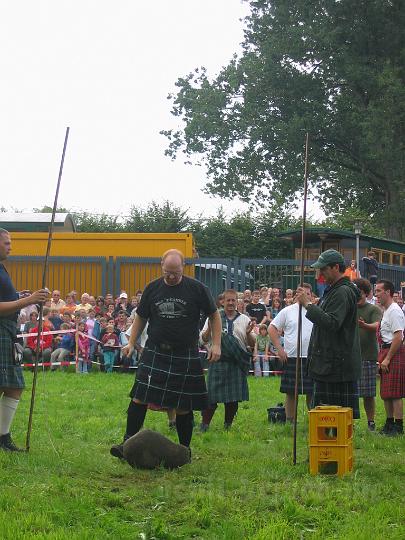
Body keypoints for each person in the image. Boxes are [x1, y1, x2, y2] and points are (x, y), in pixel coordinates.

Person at [110, 249, 221, 458]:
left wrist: (216, 344)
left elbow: (214, 315)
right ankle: (126, 444)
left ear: (183, 267)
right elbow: (141, 317)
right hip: (156, 350)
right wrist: (131, 342)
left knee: (183, 406)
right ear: (162, 265)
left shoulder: (197, 289)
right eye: (167, 273)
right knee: (139, 397)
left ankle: (185, 450)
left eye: (175, 273)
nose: (171, 277)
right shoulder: (153, 288)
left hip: (185, 352)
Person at [296, 249, 361, 419]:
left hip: (336, 366)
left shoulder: (342, 292)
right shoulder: (334, 290)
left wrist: (308, 305)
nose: (320, 273)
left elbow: (332, 323)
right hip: (331, 365)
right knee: (328, 422)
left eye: (323, 269)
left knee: (335, 422)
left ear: (336, 267)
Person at [0, 228, 48, 451]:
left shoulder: (2, 268)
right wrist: (27, 300)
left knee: (14, 386)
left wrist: (19, 296)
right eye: (7, 243)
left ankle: (3, 438)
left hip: (7, 331)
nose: (11, 247)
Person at [199, 289, 255, 431]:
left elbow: (252, 343)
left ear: (237, 302)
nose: (230, 303)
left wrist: (249, 334)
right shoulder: (213, 317)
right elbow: (203, 340)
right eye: (228, 300)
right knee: (211, 396)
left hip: (235, 362)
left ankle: (228, 425)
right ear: (222, 301)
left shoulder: (245, 319)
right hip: (217, 361)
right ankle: (204, 424)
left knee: (232, 399)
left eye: (233, 300)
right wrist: (209, 329)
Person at [269, 283, 314, 421]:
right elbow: (272, 328)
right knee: (290, 392)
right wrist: (279, 349)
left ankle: (314, 419)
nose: (305, 296)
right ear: (296, 295)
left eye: (307, 293)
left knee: (312, 391)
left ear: (311, 295)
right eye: (302, 293)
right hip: (292, 357)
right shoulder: (287, 311)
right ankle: (290, 420)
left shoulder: (315, 311)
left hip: (312, 357)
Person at [375, 279, 405, 436]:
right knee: (386, 392)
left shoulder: (394, 311)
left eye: (379, 291)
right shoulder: (387, 310)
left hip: (393, 352)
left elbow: (398, 337)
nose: (376, 294)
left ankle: (398, 427)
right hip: (386, 351)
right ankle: (389, 423)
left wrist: (387, 359)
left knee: (395, 393)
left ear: (388, 292)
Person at [353, 278, 382, 431]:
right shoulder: (349, 308)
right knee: (350, 393)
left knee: (368, 394)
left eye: (359, 292)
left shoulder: (373, 309)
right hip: (350, 357)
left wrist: (364, 325)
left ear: (365, 293)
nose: (357, 296)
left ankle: (371, 422)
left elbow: (377, 326)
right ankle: (348, 422)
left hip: (368, 356)